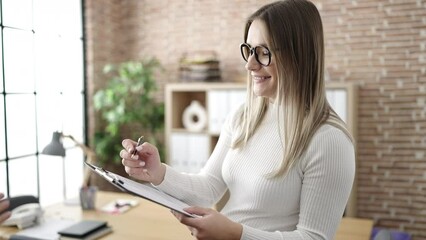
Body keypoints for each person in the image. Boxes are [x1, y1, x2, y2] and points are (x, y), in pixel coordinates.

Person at [120, 0, 355, 239]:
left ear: (299, 55)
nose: (249, 65)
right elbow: (209, 187)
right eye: (249, 50)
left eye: (263, 53)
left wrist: (235, 233)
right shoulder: (243, 116)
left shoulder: (329, 140)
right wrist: (157, 172)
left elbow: (314, 237)